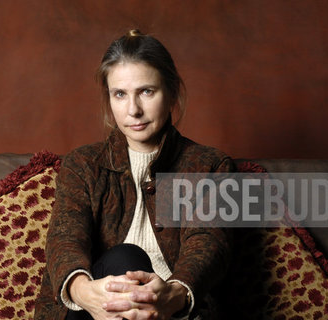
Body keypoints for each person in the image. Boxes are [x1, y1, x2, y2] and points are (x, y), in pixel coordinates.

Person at [34, 29, 234, 320]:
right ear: (109, 99)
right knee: (126, 260)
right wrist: (82, 292)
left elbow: (208, 244)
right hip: (91, 312)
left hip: (174, 313)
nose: (133, 110)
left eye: (146, 91)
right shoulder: (84, 164)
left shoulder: (209, 166)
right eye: (120, 94)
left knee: (132, 271)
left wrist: (173, 295)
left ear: (172, 92)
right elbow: (65, 238)